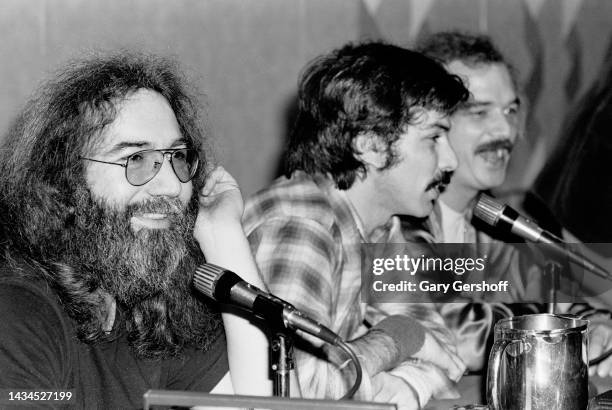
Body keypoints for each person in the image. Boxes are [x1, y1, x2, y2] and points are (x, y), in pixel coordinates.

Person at [0, 52, 272, 408]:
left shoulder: (150, 304)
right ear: (64, 185)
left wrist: (223, 236)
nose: (171, 186)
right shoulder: (18, 311)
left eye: (176, 157)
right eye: (136, 159)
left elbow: (265, 402)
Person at [243, 42, 469, 409]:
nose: (451, 160)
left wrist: (405, 386)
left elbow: (442, 349)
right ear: (371, 146)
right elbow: (297, 398)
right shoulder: (302, 224)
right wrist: (399, 337)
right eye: (434, 138)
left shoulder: (379, 226)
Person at [396, 31, 612, 377]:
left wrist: (597, 326)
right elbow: (458, 337)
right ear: (427, 121)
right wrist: (561, 329)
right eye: (478, 112)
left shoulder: (497, 220)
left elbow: (562, 300)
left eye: (511, 110)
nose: (506, 131)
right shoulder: (397, 222)